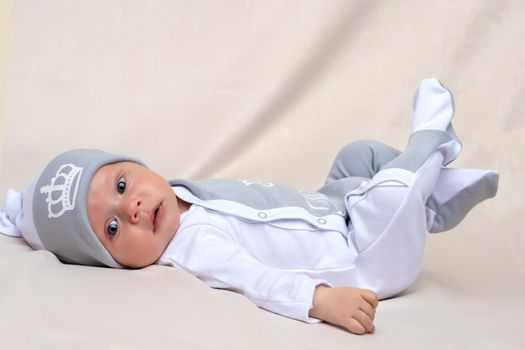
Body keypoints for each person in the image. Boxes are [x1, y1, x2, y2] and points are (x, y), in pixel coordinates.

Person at [0, 79, 498, 335]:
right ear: (113, 262)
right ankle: (433, 144)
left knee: (358, 155)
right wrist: (320, 300)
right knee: (390, 196)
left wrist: (334, 196)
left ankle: (431, 205)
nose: (130, 208)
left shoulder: (182, 194)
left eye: (123, 182)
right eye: (111, 228)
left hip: (332, 208)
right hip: (361, 256)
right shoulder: (193, 247)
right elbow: (257, 281)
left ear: (136, 162)